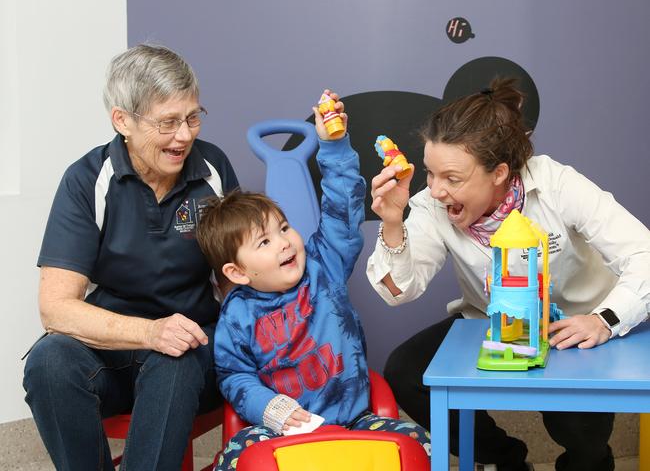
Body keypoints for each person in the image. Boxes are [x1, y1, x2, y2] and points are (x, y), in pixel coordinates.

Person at [366, 77, 650, 471]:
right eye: (430, 173)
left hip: (572, 325)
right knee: (407, 371)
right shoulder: (432, 205)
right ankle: (506, 460)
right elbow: (400, 290)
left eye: (452, 178)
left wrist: (605, 319)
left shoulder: (555, 184)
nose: (435, 190)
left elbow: (644, 253)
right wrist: (394, 221)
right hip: (490, 321)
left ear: (499, 173)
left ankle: (590, 462)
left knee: (578, 430)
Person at [22, 44, 239, 470]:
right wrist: (150, 332)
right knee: (49, 363)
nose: (185, 135)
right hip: (116, 349)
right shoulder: (87, 179)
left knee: (175, 358)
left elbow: (237, 275)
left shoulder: (212, 168)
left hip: (193, 349)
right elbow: (56, 309)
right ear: (123, 120)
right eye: (168, 122)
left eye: (193, 117)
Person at [196, 91, 431, 471]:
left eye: (285, 228)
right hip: (281, 434)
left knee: (419, 448)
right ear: (237, 272)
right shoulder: (237, 314)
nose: (286, 242)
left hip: (356, 422)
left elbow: (341, 205)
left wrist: (334, 144)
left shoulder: (325, 264)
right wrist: (269, 408)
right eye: (265, 242)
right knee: (236, 457)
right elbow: (234, 375)